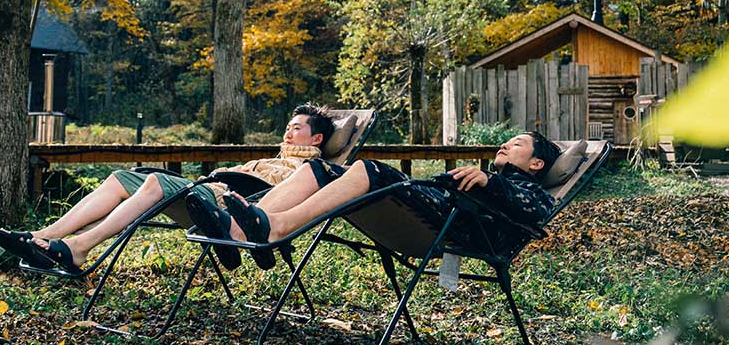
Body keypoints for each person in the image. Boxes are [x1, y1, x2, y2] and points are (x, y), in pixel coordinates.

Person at [0, 104, 335, 272]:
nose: (287, 134)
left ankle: (78, 248)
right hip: (205, 192)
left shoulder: (308, 169)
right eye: (287, 128)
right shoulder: (270, 158)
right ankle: (43, 235)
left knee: (156, 181)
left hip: (221, 208)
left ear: (317, 138)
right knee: (120, 179)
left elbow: (273, 205)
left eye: (296, 129)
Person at [186, 131, 561, 268]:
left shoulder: (532, 191)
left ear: (537, 163)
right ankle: (237, 229)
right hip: (434, 207)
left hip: (455, 228)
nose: (506, 144)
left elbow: (537, 213)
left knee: (368, 169)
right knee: (317, 171)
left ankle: (276, 227)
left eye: (517, 144)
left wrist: (489, 184)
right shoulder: (491, 179)